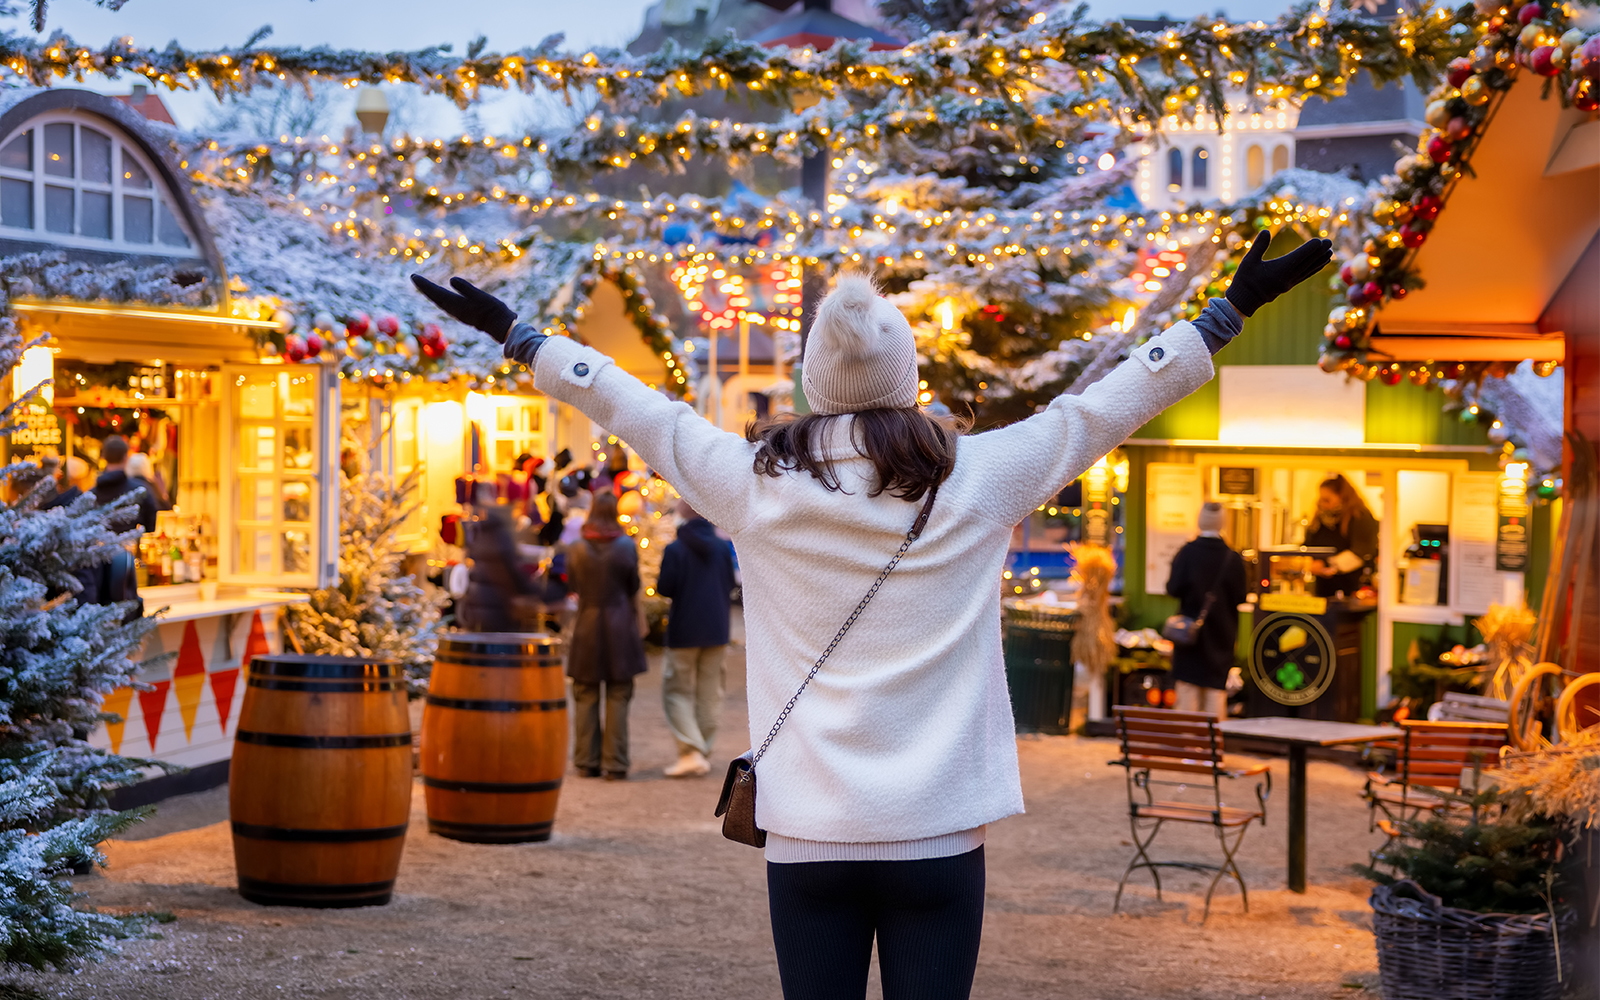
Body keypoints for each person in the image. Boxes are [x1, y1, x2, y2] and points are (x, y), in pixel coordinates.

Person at [414, 228, 1332, 1000]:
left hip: (810, 829)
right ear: (909, 376)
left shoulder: (753, 484)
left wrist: (523, 336)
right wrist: (1224, 313)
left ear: (815, 381)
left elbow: (637, 408)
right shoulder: (981, 474)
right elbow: (1104, 409)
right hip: (939, 827)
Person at [564, 491, 648, 780]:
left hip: (587, 624)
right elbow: (633, 584)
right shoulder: (626, 546)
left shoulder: (575, 547)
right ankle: (615, 762)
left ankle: (586, 761)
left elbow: (572, 584)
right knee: (618, 694)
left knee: (585, 693)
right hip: (619, 624)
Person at [657, 499, 739, 778]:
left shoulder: (675, 549)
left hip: (684, 629)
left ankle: (690, 751)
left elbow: (664, 587)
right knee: (710, 692)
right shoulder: (720, 548)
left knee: (677, 690)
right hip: (716, 629)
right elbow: (730, 583)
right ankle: (702, 749)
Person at [1165, 502, 1248, 720]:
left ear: (1200, 521)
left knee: (1187, 692)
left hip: (1189, 635)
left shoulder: (1187, 553)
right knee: (1215, 694)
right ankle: (1211, 747)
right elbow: (1241, 597)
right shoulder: (1233, 559)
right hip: (1222, 635)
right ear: (1222, 523)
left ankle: (1187, 747)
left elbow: (1173, 589)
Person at [1305, 474, 1378, 598]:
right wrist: (1309, 562)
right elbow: (1308, 543)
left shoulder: (1360, 516)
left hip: (1353, 587)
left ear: (1342, 497)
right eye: (1321, 499)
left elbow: (1361, 551)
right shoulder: (1320, 518)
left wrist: (1328, 566)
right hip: (1323, 586)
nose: (1322, 504)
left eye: (1327, 500)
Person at [90, 435, 157, 534]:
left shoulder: (91, 495)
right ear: (126, 457)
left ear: (103, 457)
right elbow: (152, 525)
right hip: (133, 546)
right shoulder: (140, 490)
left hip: (99, 548)